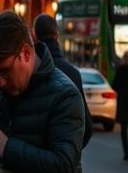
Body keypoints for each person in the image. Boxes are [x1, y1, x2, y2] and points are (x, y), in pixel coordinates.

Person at [0, 11, 84, 173]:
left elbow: (62, 171)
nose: (1, 82)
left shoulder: (64, 95)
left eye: (5, 72)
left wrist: (7, 149)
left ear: (26, 53)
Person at [33, 13, 93, 147]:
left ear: (35, 37)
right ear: (56, 35)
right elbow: (87, 126)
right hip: (64, 158)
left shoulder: (30, 71)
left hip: (35, 158)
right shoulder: (73, 73)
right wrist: (71, 151)